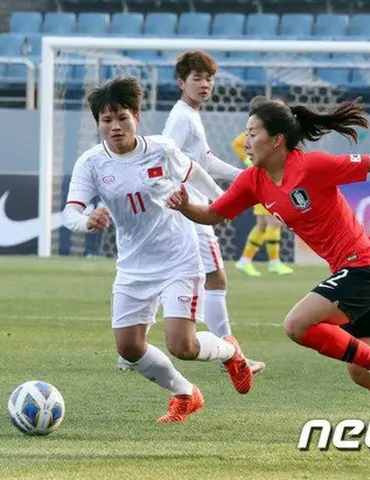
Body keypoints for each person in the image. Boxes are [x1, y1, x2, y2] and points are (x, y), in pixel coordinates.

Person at [167, 95, 370, 416]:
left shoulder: (311, 165)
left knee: (297, 325)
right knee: (361, 372)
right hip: (357, 274)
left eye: (253, 132)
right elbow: (212, 214)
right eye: (246, 132)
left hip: (366, 268)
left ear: (277, 141)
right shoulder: (253, 180)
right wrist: (184, 205)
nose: (245, 141)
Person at [62, 76, 254, 424]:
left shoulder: (161, 150)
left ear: (136, 116)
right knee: (129, 349)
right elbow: (70, 213)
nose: (115, 127)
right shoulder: (91, 163)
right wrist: (87, 220)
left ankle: (230, 352)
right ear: (98, 124)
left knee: (183, 346)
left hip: (178, 258)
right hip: (134, 266)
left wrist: (219, 204)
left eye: (122, 117)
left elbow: (194, 172)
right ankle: (185, 394)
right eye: (107, 120)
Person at [162, 51, 266, 374]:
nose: (205, 84)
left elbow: (204, 161)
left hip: (188, 208)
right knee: (215, 278)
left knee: (179, 277)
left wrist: (244, 176)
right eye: (197, 78)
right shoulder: (182, 118)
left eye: (209, 79)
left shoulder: (190, 114)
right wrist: (213, 201)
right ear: (181, 83)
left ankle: (131, 348)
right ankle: (231, 356)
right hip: (190, 211)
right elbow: (168, 157)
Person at [231, 131, 294, 277]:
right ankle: (274, 262)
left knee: (262, 224)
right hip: (265, 180)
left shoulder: (273, 131)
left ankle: (245, 260)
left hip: (268, 179)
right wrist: (248, 159)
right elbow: (237, 143)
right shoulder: (260, 128)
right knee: (274, 221)